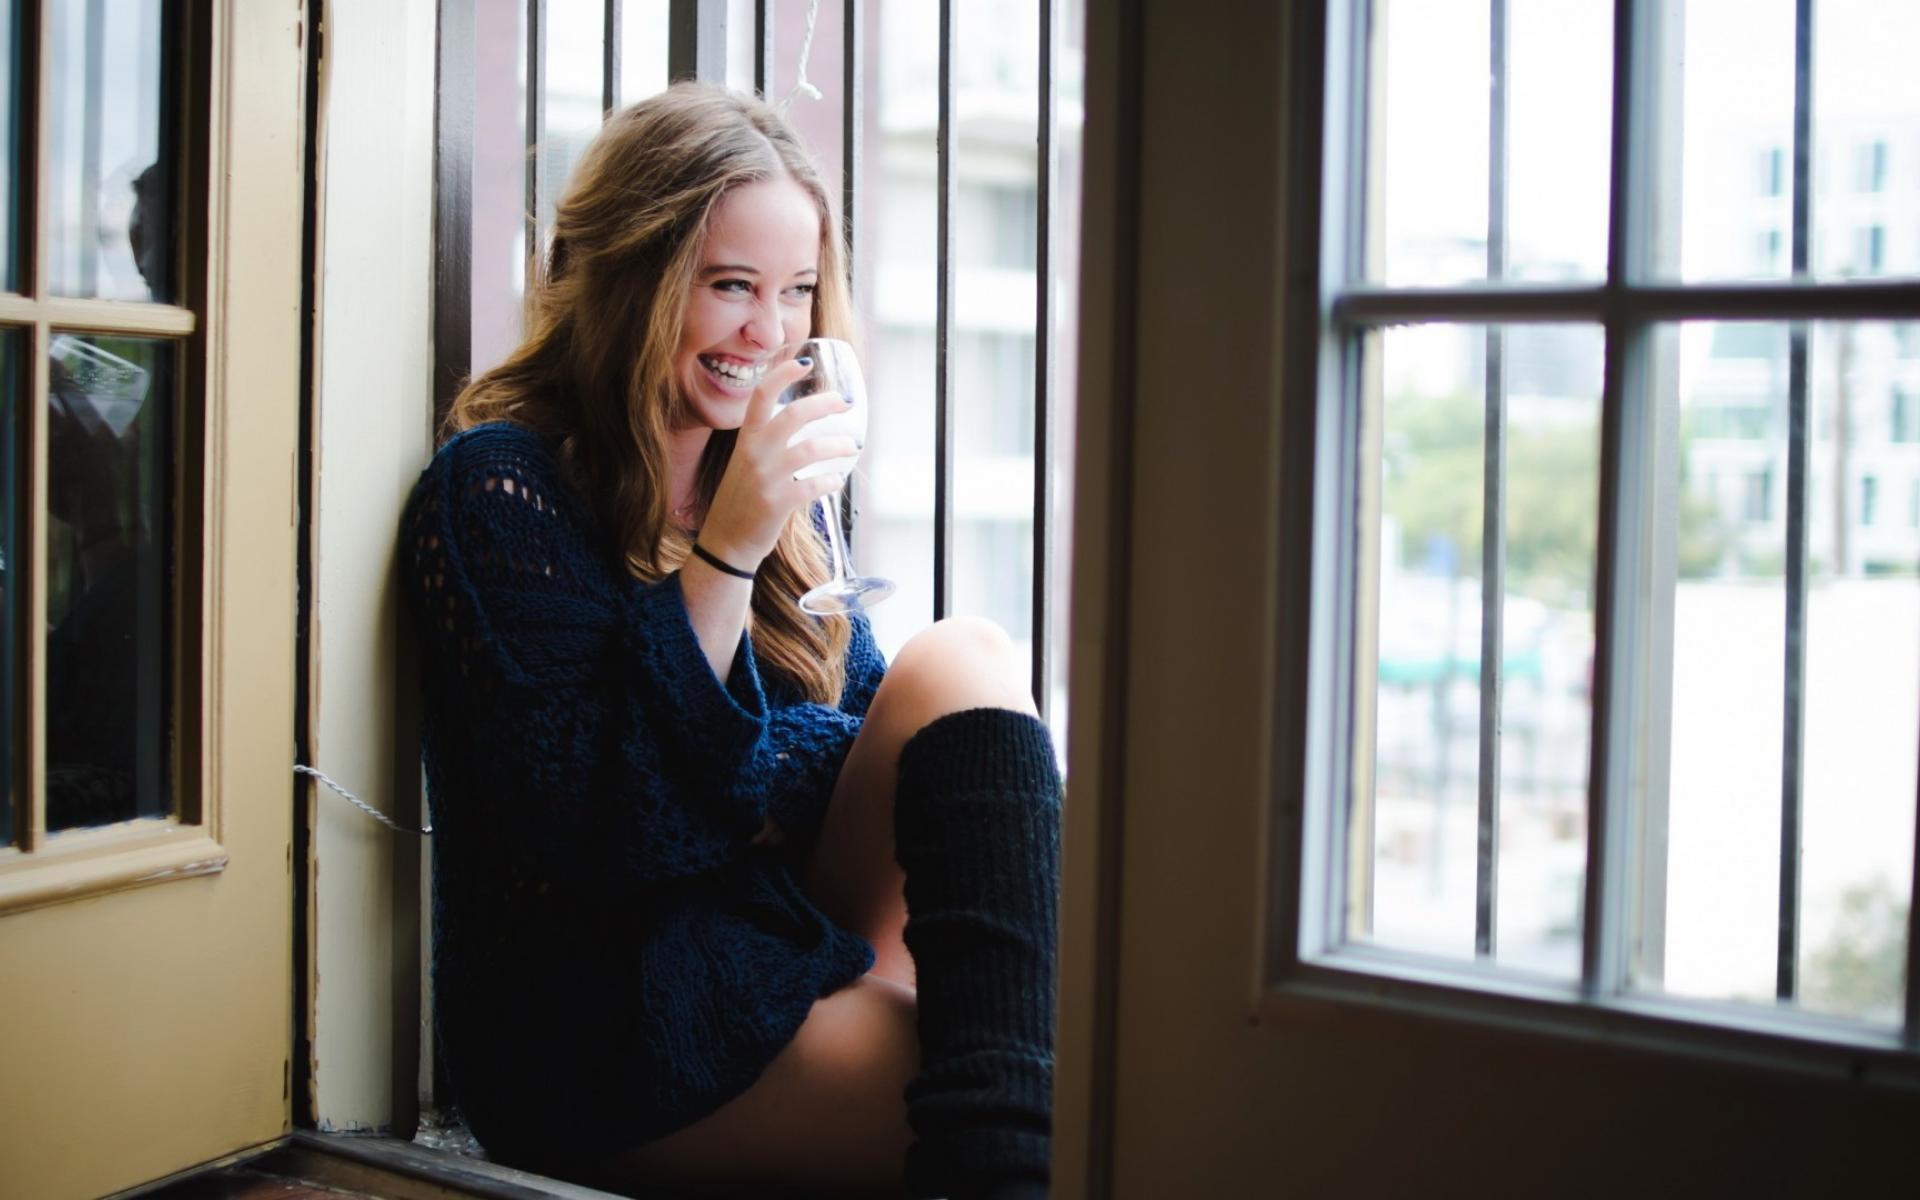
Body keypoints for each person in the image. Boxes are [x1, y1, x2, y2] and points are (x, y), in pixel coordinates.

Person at [402, 82, 1061, 1200]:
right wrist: (728, 554)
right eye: (731, 286)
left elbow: (864, 744)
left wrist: (755, 770)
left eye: (797, 291)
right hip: (614, 1022)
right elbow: (609, 834)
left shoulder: (762, 484)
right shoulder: (501, 491)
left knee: (966, 657)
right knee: (1048, 1085)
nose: (771, 332)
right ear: (633, 277)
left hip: (772, 949)